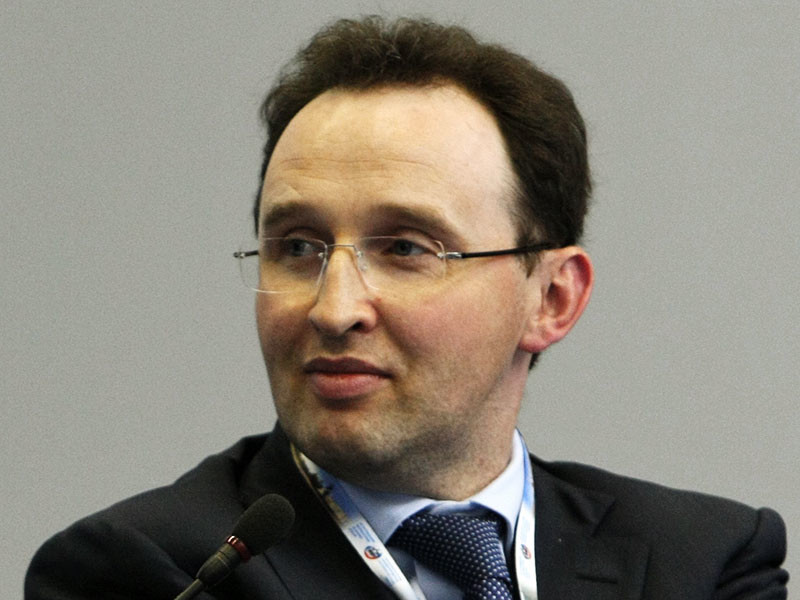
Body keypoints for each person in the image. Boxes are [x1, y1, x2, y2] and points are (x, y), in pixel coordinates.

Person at [26, 16, 788, 600]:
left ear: (551, 299)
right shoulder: (150, 571)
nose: (334, 309)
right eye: (298, 247)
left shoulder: (703, 561)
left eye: (406, 248)